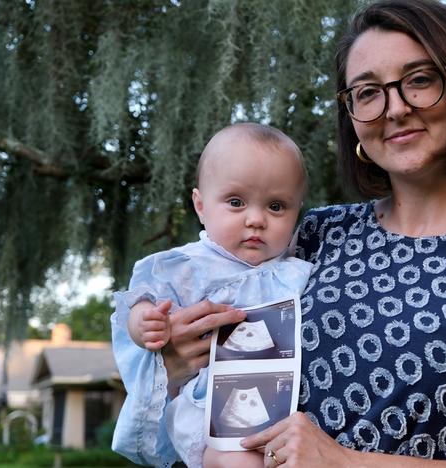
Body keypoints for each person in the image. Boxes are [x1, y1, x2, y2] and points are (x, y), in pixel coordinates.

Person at [128, 0, 446, 466]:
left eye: (419, 81)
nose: (394, 108)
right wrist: (173, 360)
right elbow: (209, 397)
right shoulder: (312, 236)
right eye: (367, 92)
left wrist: (346, 462)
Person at [110, 122, 312, 468]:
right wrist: (143, 322)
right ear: (200, 205)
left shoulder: (297, 270)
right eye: (236, 202)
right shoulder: (187, 267)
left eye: (276, 207)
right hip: (210, 408)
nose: (256, 219)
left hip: (282, 406)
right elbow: (140, 300)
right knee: (240, 460)